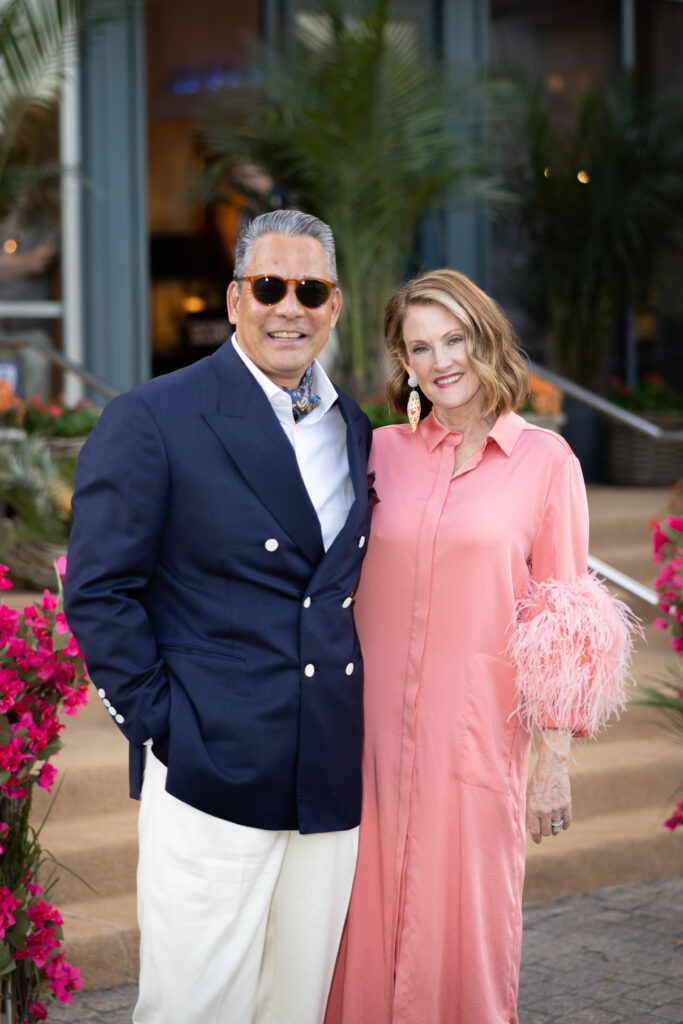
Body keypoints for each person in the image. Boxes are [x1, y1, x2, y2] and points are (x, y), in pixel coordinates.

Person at [64, 209, 373, 1024]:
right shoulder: (154, 417)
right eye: (269, 286)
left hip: (326, 770)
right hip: (209, 767)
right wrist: (164, 726)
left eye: (310, 290)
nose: (289, 307)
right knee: (194, 1007)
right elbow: (98, 589)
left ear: (333, 306)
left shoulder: (355, 429)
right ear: (235, 298)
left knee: (294, 1006)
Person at [325, 269, 636, 1024]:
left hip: (474, 740)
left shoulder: (545, 462)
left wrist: (553, 764)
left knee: (464, 932)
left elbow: (564, 621)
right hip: (361, 740)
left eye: (453, 338)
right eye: (419, 347)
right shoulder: (377, 453)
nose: (440, 362)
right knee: (352, 933)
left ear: (484, 338)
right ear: (404, 362)